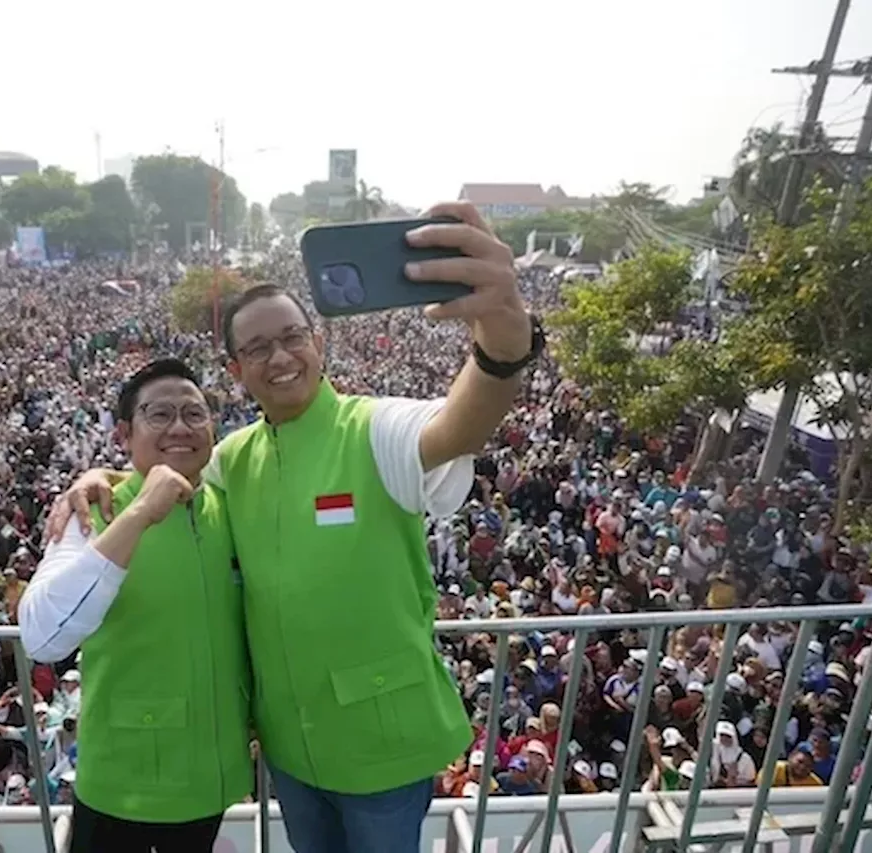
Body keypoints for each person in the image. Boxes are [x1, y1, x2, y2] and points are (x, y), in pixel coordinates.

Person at [48, 202, 540, 853]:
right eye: (257, 348)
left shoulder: (373, 429)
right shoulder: (231, 460)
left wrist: (502, 338)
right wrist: (102, 478)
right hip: (291, 752)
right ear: (237, 370)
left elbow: (460, 424)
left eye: (291, 337)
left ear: (316, 340)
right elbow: (165, 475)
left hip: (382, 748)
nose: (279, 357)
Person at [19, 358, 252, 853]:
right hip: (123, 784)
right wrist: (140, 512)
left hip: (209, 778)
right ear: (125, 432)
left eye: (194, 414)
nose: (180, 428)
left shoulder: (228, 506)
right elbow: (43, 636)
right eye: (160, 415)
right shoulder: (93, 512)